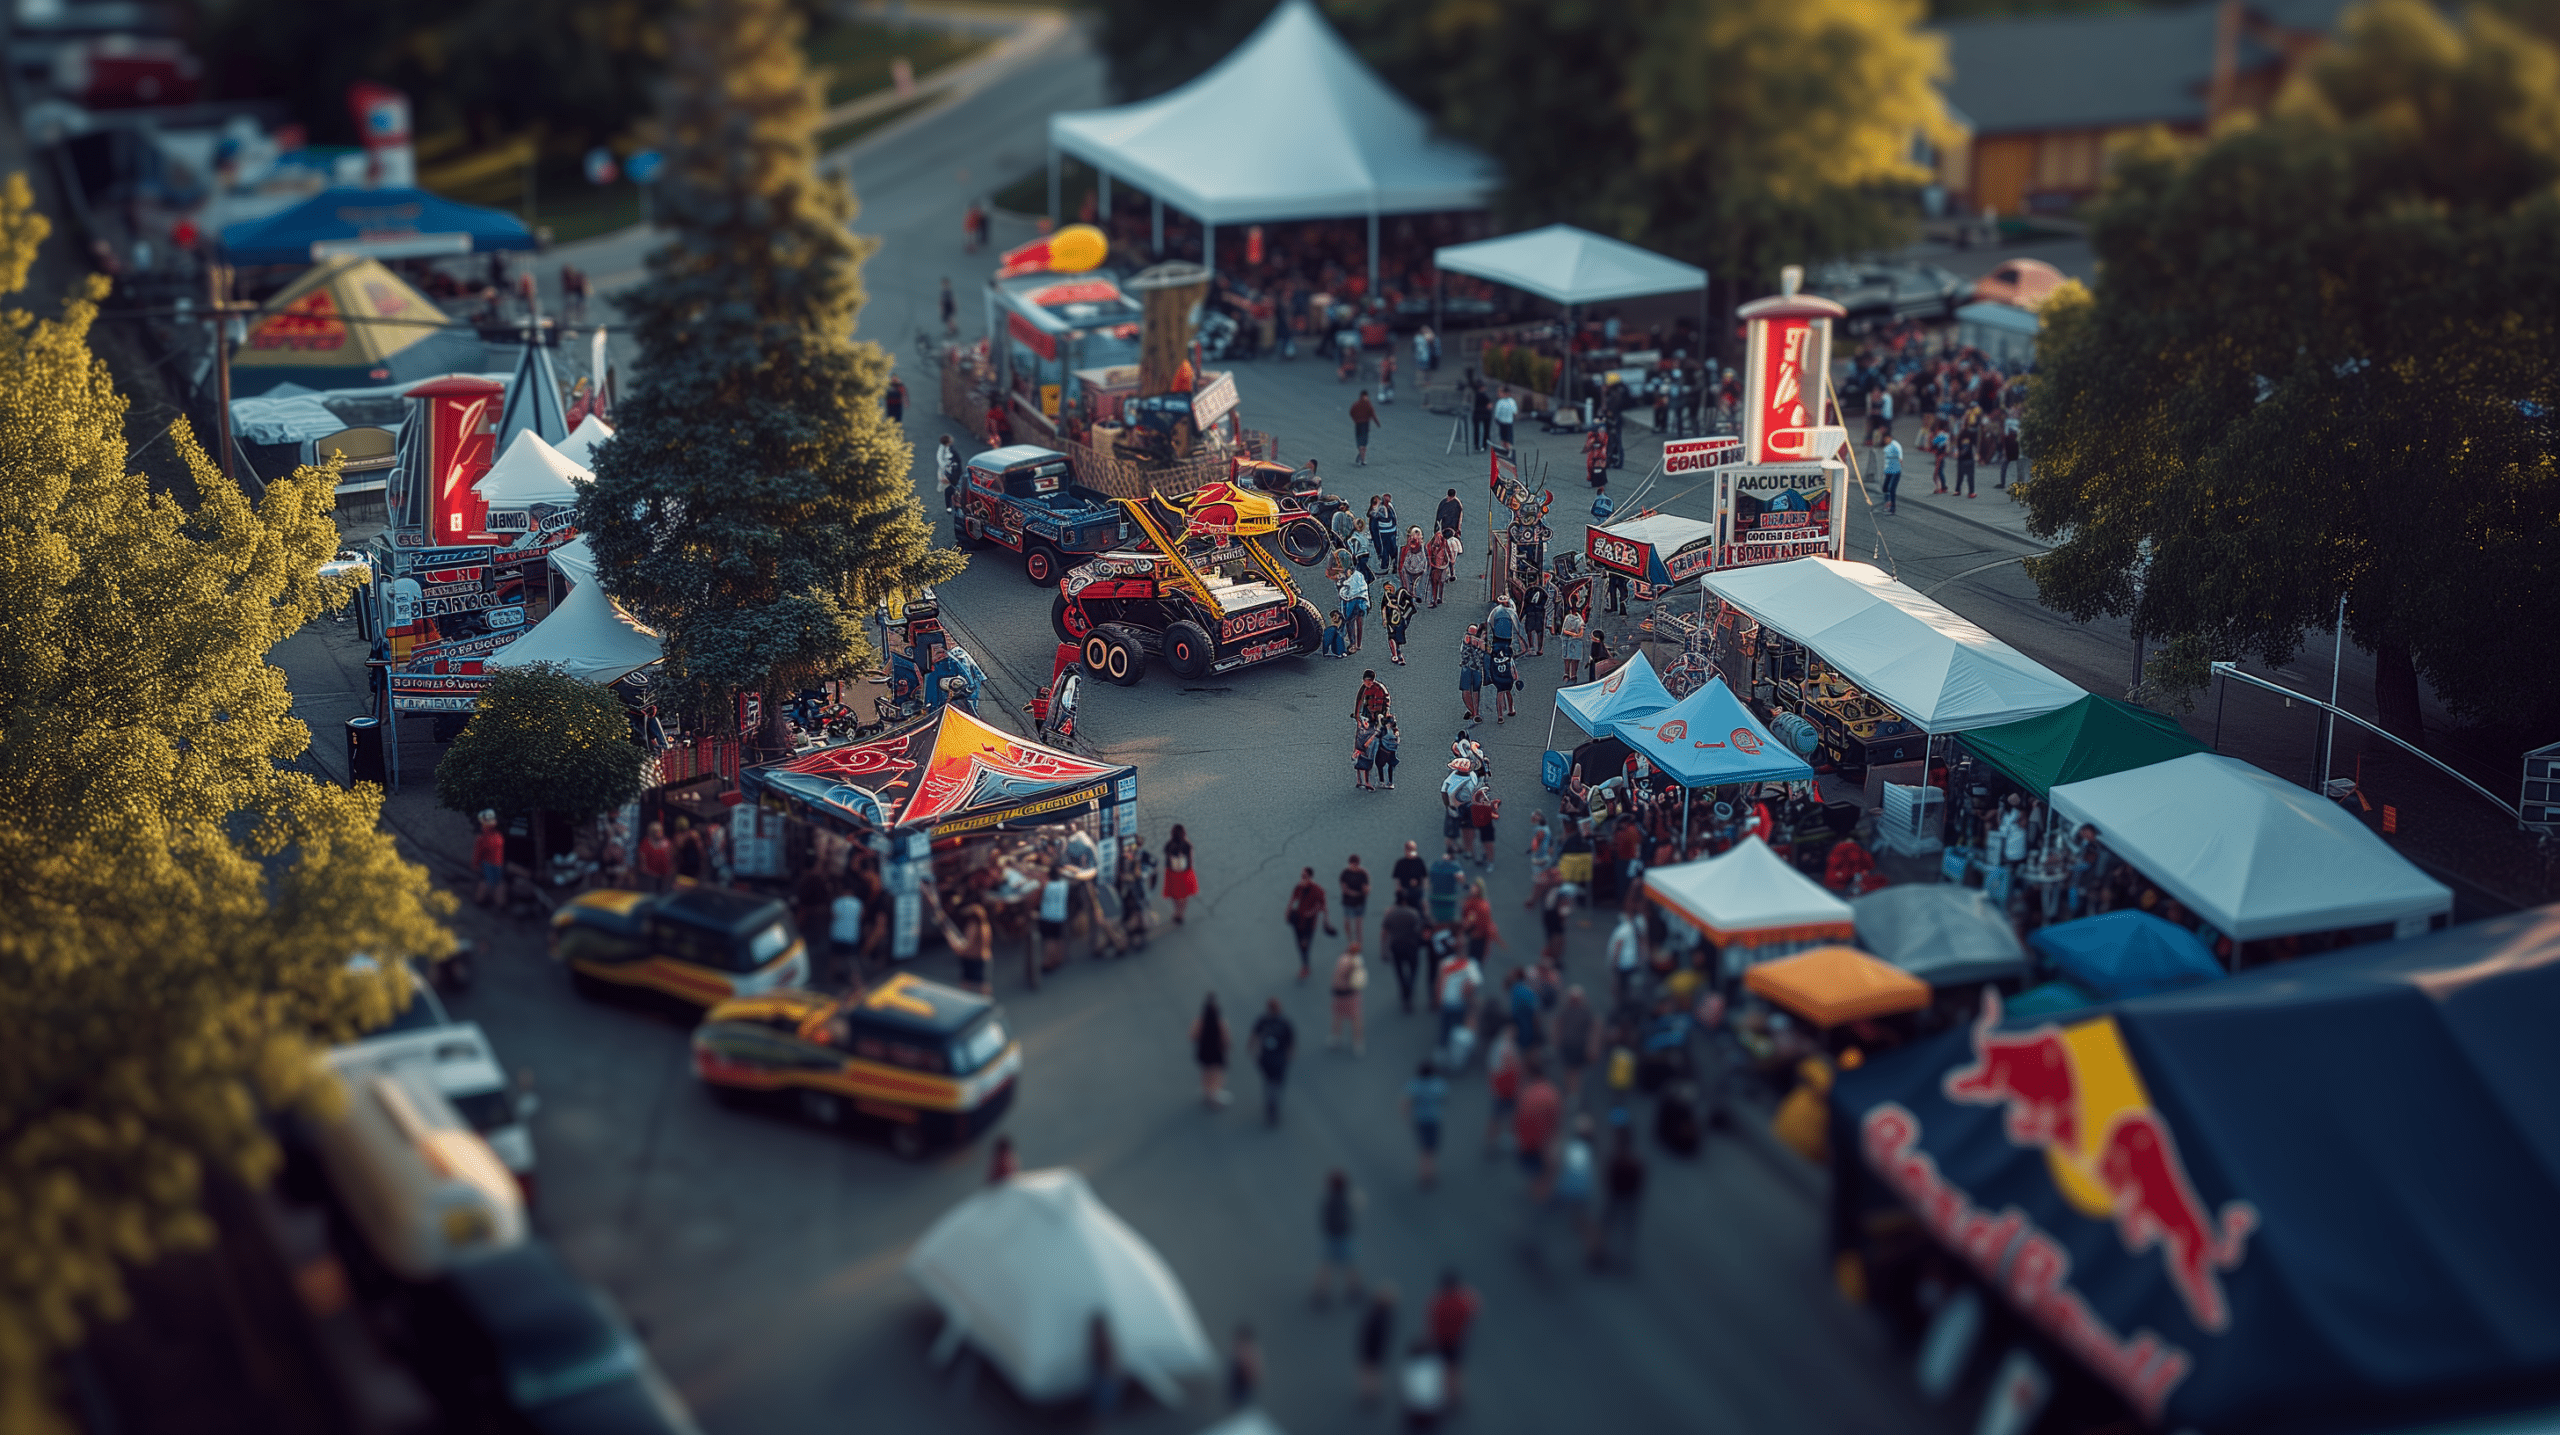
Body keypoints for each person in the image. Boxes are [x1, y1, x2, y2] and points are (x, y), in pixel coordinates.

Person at [1598, 1126, 1646, 1268]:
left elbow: (1607, 1177)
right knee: (1625, 1227)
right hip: (1627, 1198)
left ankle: (1604, 1252)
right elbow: (1640, 1182)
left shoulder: (1617, 1158)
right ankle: (1622, 1258)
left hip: (1617, 1196)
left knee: (1610, 1225)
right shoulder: (1636, 1160)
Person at [1315, 1169, 1363, 1304]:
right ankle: (1354, 1290)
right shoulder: (1343, 1200)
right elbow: (1349, 1216)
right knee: (1349, 1264)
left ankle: (1321, 1293)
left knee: (1327, 1265)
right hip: (1341, 1237)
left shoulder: (1329, 1199)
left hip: (1331, 1236)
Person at [1403, 1059, 1450, 1187]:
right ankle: (1429, 1174)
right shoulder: (1438, 1084)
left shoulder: (1414, 1084)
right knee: (1430, 1150)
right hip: (1434, 1120)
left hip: (1419, 1120)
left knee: (1424, 1149)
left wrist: (1407, 1117)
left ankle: (1423, 1174)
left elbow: (1406, 1102)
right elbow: (1444, 1097)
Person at [1251, 997, 1296, 1125]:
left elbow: (1253, 1037)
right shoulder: (1285, 1023)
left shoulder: (1263, 1021)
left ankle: (1270, 1100)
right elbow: (1291, 1043)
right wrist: (1290, 1057)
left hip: (1265, 1059)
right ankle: (1274, 1101)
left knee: (1267, 1081)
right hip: (1280, 1060)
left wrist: (1253, 1052)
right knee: (1278, 1082)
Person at [1553, 986, 1598, 1105]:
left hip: (1577, 1046)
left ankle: (1573, 1094)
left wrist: (1592, 1047)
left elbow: (1593, 1031)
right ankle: (1570, 1092)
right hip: (1569, 1045)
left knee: (1574, 1072)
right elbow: (1558, 1025)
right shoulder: (1567, 1011)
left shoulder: (1584, 1013)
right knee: (1570, 1070)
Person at [1286, 867, 1331, 981]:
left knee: (1305, 946)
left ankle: (1305, 967)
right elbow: (1293, 899)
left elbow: (1323, 906)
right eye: (1302, 876)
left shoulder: (1317, 890)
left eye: (1304, 876)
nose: (1302, 878)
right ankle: (1305, 964)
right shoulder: (1299, 887)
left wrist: (1312, 913)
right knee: (1299, 945)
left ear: (1310, 877)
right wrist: (1288, 911)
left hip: (1309, 925)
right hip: (1298, 921)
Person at [1357, 1282, 1398, 1406]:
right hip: (1379, 1347)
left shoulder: (1374, 1314)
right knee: (1376, 1371)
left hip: (1371, 1347)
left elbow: (1366, 1332)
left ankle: (1368, 1394)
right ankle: (1375, 1394)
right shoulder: (1388, 1315)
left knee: (1369, 1371)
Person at [1382, 899, 1425, 1013]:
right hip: (1411, 947)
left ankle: (1404, 990)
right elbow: (1420, 929)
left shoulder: (1391, 915)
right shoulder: (1413, 913)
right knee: (1414, 969)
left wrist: (1384, 950)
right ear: (1405, 902)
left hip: (1396, 947)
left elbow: (1384, 933)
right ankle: (1409, 989)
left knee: (1399, 972)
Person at [1191, 992, 1234, 1109]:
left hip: (1204, 1051)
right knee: (1217, 1074)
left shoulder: (1200, 1021)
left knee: (1205, 1072)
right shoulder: (1221, 1022)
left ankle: (1206, 1092)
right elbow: (1226, 1039)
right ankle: (1214, 1096)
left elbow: (1192, 1036)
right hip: (1216, 1052)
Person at [1441, 757, 1481, 861]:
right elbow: (1444, 793)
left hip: (1469, 805)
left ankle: (1469, 850)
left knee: (1468, 828)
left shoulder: (1472, 775)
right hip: (1454, 807)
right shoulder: (1451, 779)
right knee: (1451, 832)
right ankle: (1450, 853)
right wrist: (1448, 807)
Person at [1330, 946, 1368, 1053]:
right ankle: (1358, 1044)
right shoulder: (1358, 961)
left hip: (1340, 994)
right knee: (1356, 1019)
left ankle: (1336, 1038)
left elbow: (1337, 977)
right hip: (1352, 995)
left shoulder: (1343, 960)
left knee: (1338, 1016)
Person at [828, 883, 865, 987]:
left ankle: (831, 979)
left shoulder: (836, 902)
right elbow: (861, 916)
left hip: (837, 934)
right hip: (851, 936)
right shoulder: (858, 903)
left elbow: (833, 916)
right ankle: (857, 982)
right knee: (852, 959)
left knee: (835, 957)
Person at [470, 810, 508, 908]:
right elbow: (478, 852)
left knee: (498, 882)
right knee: (488, 881)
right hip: (488, 863)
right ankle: (479, 899)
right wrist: (476, 864)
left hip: (498, 863)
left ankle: (499, 903)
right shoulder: (482, 837)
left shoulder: (497, 835)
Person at [1162, 825, 1197, 924]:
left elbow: (1167, 856)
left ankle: (1177, 911)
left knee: (1174, 894)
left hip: (1172, 873)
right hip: (1185, 872)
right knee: (1185, 894)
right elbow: (1191, 859)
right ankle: (1181, 912)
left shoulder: (1169, 844)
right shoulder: (1187, 844)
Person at [1427, 843, 1467, 927]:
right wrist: (1465, 886)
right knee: (1448, 922)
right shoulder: (1455, 866)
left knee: (1437, 921)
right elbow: (1461, 879)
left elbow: (1428, 882)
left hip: (1435, 897)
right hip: (1449, 899)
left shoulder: (1436, 864)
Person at [1339, 853, 1373, 951]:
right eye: (1352, 864)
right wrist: (1355, 893)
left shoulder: (1363, 873)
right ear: (1349, 863)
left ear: (1358, 864)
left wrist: (1366, 890)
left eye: (1356, 865)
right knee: (1347, 922)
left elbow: (1367, 888)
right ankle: (1350, 942)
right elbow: (1344, 888)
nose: (1354, 867)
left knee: (1358, 924)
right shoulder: (1345, 873)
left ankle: (1359, 943)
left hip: (1360, 902)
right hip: (1348, 902)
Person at [1381, 580, 1417, 667]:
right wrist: (1384, 619)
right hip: (1391, 618)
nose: (1389, 590)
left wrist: (1398, 608)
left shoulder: (1402, 592)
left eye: (1390, 587)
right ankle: (1395, 654)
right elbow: (1383, 607)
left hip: (1401, 618)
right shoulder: (1386, 596)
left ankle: (1399, 653)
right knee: (1391, 635)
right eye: (1386, 588)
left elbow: (1410, 604)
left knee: (1398, 636)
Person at [1456, 626, 1486, 725]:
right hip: (1467, 667)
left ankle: (1476, 712)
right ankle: (1473, 711)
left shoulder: (1480, 642)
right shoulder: (1467, 640)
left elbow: (1484, 652)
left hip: (1477, 668)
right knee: (1466, 690)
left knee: (1476, 690)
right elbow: (1465, 651)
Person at [1228, 1323, 1262, 1409]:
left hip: (1242, 1383)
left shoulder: (1250, 1352)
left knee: (1239, 1403)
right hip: (1238, 1381)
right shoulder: (1243, 1349)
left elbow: (1256, 1372)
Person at [1348, 389, 1382, 466]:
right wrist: (1377, 423)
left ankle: (1361, 456)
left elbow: (1351, 412)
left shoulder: (1358, 404)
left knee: (1362, 442)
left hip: (1361, 425)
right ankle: (1362, 459)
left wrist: (1355, 419)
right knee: (1363, 442)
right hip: (1363, 424)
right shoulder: (1366, 404)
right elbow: (1373, 414)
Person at [1368, 495, 1400, 570]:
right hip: (1383, 535)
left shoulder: (1388, 508)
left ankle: (1393, 563)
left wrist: (1395, 532)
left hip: (1391, 532)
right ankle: (1384, 567)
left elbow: (1394, 519)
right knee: (1385, 550)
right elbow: (1374, 531)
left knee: (1392, 549)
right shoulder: (1375, 513)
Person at [1424, 527, 1453, 608]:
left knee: (1435, 582)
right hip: (1442, 563)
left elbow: (1430, 547)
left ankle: (1435, 600)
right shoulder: (1440, 539)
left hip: (1437, 564)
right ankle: (1439, 598)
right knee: (1440, 581)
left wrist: (1430, 559)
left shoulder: (1439, 538)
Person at [1558, 607, 1587, 684]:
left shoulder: (1580, 621)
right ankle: (1567, 674)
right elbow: (1565, 630)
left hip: (1575, 641)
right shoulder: (1569, 618)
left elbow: (1580, 634)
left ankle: (1572, 675)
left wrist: (1573, 634)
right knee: (1568, 657)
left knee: (1574, 658)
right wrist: (1574, 634)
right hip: (1569, 640)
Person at [1521, 579, 1549, 656]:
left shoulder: (1537, 591)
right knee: (1531, 630)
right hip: (1534, 612)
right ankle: (1533, 647)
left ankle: (1537, 648)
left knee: (1537, 631)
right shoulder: (1532, 591)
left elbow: (1525, 603)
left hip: (1536, 612)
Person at [1374, 715, 1402, 789]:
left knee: (1384, 766)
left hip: (1386, 751)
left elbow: (1378, 734)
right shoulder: (1392, 730)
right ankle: (1386, 782)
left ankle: (1385, 782)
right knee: (1385, 766)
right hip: (1388, 751)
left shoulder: (1389, 730)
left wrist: (1379, 721)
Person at [1879, 433, 1903, 516]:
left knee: (1891, 489)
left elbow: (1900, 459)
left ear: (1890, 438)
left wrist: (1899, 468)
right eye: (1884, 439)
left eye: (1886, 439)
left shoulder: (1896, 446)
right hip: (1888, 471)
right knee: (1885, 488)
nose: (1885, 440)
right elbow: (1886, 460)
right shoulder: (1887, 447)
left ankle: (1892, 508)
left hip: (1896, 471)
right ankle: (1887, 503)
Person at [935, 434, 962, 509]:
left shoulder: (949, 448)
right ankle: (952, 502)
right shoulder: (943, 449)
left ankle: (952, 501)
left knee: (951, 487)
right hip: (946, 471)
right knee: (949, 487)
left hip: (950, 470)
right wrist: (946, 466)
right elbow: (940, 459)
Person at [1470, 383, 1493, 452]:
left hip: (1476, 414)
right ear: (1483, 387)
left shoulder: (1476, 395)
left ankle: (1476, 445)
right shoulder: (1485, 396)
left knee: (1476, 430)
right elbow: (1489, 406)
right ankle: (1484, 445)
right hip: (1485, 415)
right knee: (1486, 430)